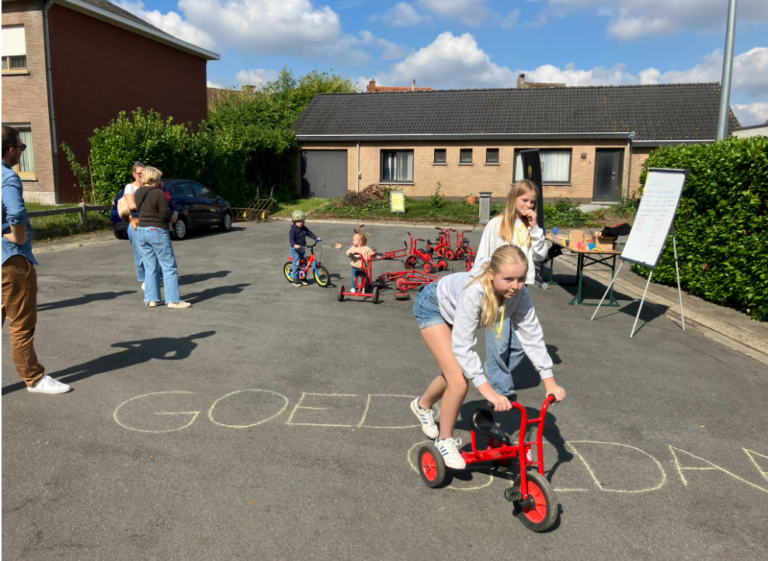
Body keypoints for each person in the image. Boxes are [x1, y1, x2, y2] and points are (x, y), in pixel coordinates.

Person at [409, 245, 565, 469]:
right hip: (433, 305)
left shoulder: (520, 295)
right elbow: (463, 345)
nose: (515, 286)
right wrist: (488, 391)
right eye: (509, 279)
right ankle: (444, 440)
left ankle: (422, 405)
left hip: (455, 308)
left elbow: (532, 336)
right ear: (491, 275)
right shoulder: (475, 292)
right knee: (459, 380)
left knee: (454, 370)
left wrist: (550, 381)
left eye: (521, 279)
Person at [2, 125, 71, 393]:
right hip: (10, 261)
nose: (21, 151)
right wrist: (17, 237)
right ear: (11, 150)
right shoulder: (7, 177)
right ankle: (34, 378)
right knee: (21, 323)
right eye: (21, 147)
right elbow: (17, 214)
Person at [475, 180, 549, 403]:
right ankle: (501, 392)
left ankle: (493, 370)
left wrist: (536, 229)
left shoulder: (530, 227)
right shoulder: (497, 224)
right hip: (496, 289)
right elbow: (483, 256)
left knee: (517, 346)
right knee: (499, 342)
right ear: (513, 199)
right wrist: (480, 285)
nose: (528, 205)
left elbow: (541, 256)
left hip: (520, 289)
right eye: (524, 200)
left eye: (532, 202)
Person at [134, 166, 191, 309]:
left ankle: (152, 298)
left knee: (150, 265)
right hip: (157, 230)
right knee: (168, 265)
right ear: (154, 179)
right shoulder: (158, 194)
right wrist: (173, 218)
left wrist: (158, 187)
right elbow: (165, 213)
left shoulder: (138, 192)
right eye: (159, 178)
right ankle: (173, 300)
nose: (161, 180)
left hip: (142, 230)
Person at [123, 161, 146, 290]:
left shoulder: (150, 186)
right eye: (139, 174)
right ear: (134, 174)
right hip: (136, 223)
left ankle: (156, 277)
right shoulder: (130, 187)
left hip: (149, 222)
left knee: (153, 251)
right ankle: (143, 278)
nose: (141, 176)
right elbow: (131, 205)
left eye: (144, 173)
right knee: (140, 252)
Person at [288, 210, 321, 287]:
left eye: (302, 221)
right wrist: (294, 244)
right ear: (294, 222)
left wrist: (316, 238)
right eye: (298, 221)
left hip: (302, 249)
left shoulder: (304, 228)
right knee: (296, 264)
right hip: (295, 250)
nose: (301, 223)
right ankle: (295, 280)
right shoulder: (293, 230)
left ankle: (303, 278)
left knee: (305, 264)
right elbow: (291, 239)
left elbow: (309, 233)